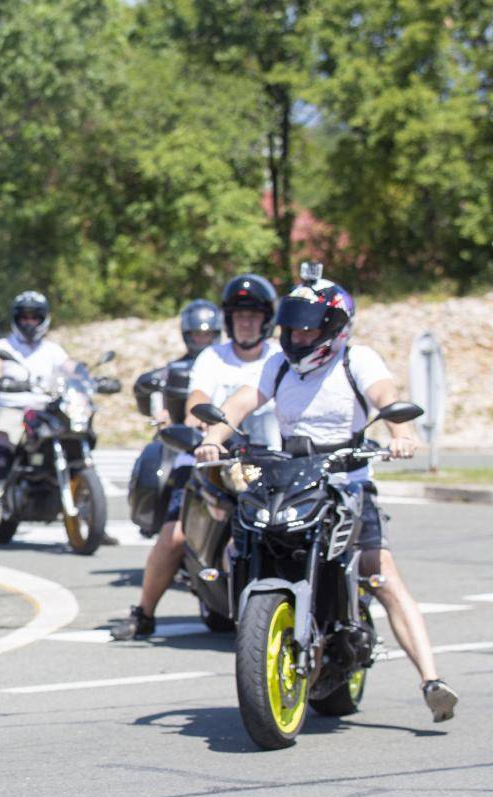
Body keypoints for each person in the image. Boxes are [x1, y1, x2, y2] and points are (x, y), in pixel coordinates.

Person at [194, 272, 459, 721]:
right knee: (243, 540)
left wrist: (402, 433)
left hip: (347, 481)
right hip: (292, 478)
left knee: (381, 573)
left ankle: (431, 680)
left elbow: (385, 396)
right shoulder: (279, 365)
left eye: (307, 328)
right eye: (292, 328)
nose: (297, 336)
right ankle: (247, 620)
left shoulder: (358, 360)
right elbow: (241, 401)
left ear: (333, 328)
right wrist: (214, 436)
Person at [114, 277, 281, 639]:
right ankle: (144, 612)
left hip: (269, 464)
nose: (246, 323)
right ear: (228, 320)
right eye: (239, 316)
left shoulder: (280, 358)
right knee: (174, 535)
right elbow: (197, 397)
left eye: (253, 316)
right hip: (212, 461)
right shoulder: (212, 357)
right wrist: (197, 422)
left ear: (266, 319)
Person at [0, 290, 77, 553]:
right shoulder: (4, 347)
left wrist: (89, 376)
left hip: (46, 410)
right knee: (3, 457)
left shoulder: (53, 349)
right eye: (25, 317)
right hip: (12, 410)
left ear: (44, 319)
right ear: (17, 319)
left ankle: (90, 520)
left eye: (35, 317)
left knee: (75, 443)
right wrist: (0, 379)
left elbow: (71, 368)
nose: (29, 322)